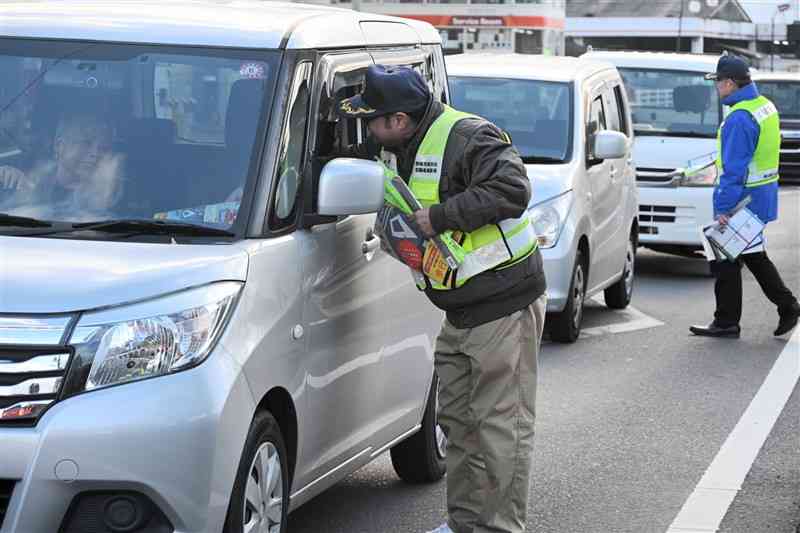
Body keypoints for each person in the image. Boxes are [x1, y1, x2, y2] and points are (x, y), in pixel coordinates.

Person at [337, 65, 547, 533]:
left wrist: (440, 217)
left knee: (500, 428)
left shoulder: (470, 136)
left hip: (504, 304)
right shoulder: (398, 146)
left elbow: (513, 189)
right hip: (461, 308)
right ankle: (466, 523)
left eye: (372, 119)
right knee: (458, 420)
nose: (367, 129)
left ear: (398, 119)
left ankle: (498, 528)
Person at [690, 55, 799, 338]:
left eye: (718, 83)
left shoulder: (740, 118)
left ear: (730, 83)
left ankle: (728, 321)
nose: (716, 88)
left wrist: (723, 209)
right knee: (750, 255)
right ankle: (785, 306)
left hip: (743, 200)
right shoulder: (764, 106)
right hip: (761, 196)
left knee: (724, 255)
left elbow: (734, 169)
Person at [0, 111, 123, 212]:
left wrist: (101, 193)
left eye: (103, 148)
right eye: (85, 143)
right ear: (59, 146)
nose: (95, 153)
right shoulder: (24, 182)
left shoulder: (116, 198)